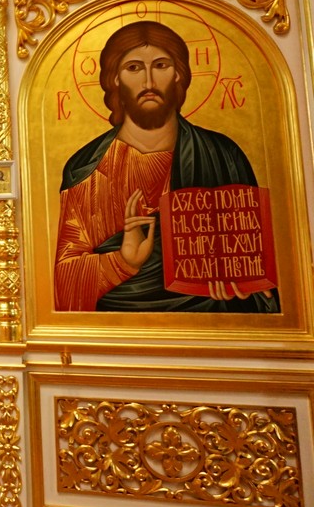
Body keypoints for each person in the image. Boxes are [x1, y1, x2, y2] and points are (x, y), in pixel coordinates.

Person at [53, 20, 280, 313]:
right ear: (115, 79)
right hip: (115, 329)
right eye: (133, 68)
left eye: (161, 65)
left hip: (213, 326)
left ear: (178, 74)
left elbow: (254, 259)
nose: (148, 82)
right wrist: (124, 261)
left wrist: (245, 283)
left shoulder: (222, 154)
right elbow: (65, 279)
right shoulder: (87, 169)